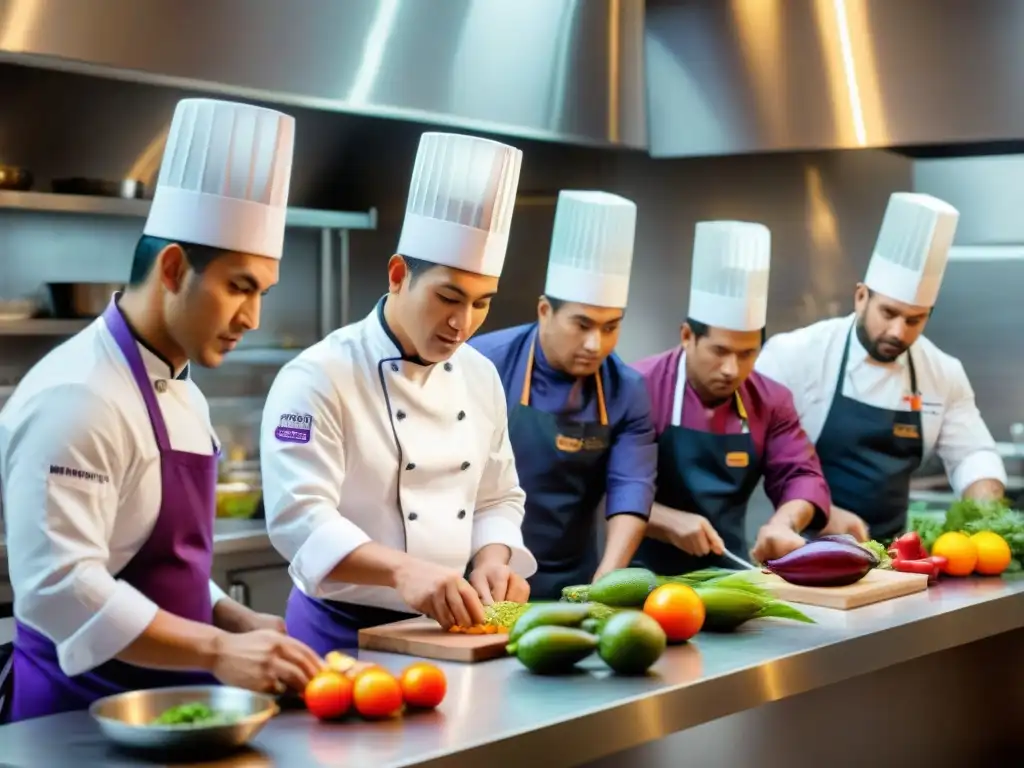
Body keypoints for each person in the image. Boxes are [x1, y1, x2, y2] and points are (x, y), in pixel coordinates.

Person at [0, 98, 323, 723]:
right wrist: (218, 649)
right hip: (75, 722)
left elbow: (149, 562)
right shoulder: (78, 395)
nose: (252, 320)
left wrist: (231, 615)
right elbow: (61, 587)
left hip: (169, 712)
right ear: (174, 267)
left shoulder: (182, 387)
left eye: (263, 293)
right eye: (239, 287)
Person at [259, 132, 536, 657]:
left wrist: (494, 559)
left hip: (448, 631)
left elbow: (498, 496)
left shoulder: (479, 375)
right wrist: (405, 571)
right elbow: (299, 519)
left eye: (482, 304)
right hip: (340, 635)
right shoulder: (318, 376)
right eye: (448, 297)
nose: (462, 323)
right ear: (398, 275)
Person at [755, 193, 1006, 542]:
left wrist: (987, 514)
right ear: (861, 297)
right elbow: (759, 448)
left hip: (893, 559)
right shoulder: (794, 355)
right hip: (800, 547)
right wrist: (818, 508)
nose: (898, 332)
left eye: (915, 320)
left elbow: (972, 454)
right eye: (888, 313)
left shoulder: (943, 372)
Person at [470, 190, 657, 599]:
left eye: (611, 327)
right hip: (484, 575)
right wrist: (489, 566)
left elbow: (631, 486)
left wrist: (607, 580)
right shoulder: (482, 363)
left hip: (576, 577)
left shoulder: (627, 389)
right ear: (544, 311)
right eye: (582, 324)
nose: (596, 344)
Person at [631, 221, 831, 575]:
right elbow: (606, 487)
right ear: (687, 335)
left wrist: (784, 524)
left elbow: (802, 475)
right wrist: (666, 521)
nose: (731, 369)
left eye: (747, 353)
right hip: (642, 576)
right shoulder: (638, 387)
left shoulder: (771, 400)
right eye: (719, 351)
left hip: (732, 572)